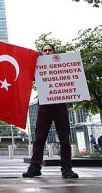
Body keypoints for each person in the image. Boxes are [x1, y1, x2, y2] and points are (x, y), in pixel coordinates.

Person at [22, 43, 79, 179]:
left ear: (54, 52)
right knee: (39, 138)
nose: (47, 52)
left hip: (60, 105)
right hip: (45, 106)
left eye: (50, 50)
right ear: (42, 53)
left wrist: (80, 93)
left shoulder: (62, 65)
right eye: (45, 51)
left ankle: (67, 168)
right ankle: (35, 167)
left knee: (64, 139)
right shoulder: (38, 66)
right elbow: (28, 75)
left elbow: (73, 78)